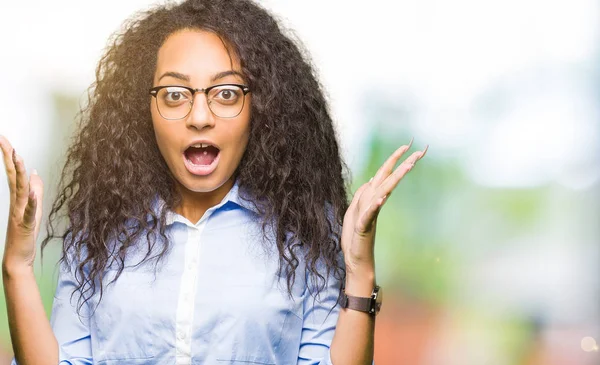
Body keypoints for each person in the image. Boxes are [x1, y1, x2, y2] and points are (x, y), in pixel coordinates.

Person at [0, 0, 427, 364]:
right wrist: (16, 268)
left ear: (261, 107)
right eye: (174, 94)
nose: (199, 116)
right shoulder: (100, 234)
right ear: (141, 111)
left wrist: (358, 270)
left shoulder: (303, 237)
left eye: (225, 93)